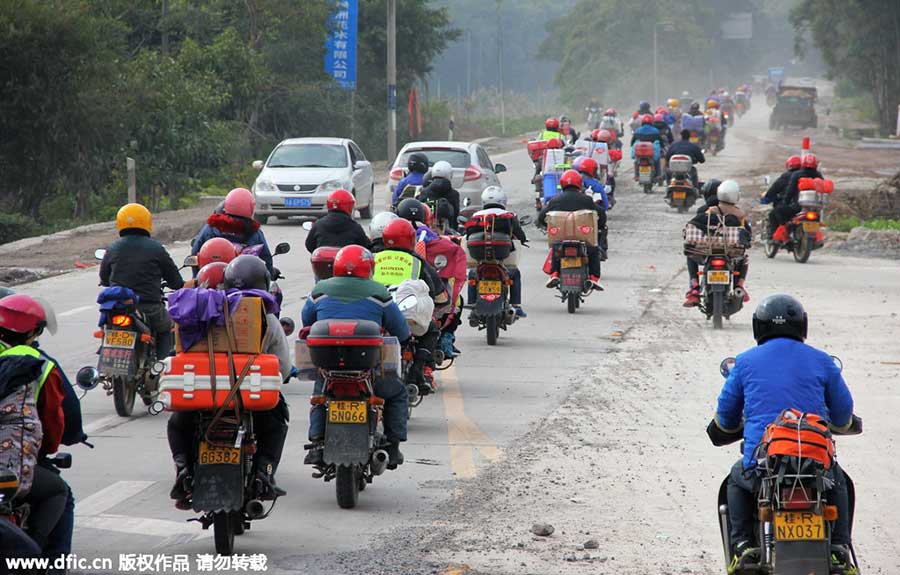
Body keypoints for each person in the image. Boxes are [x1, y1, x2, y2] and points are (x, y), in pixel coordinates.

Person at [710, 294, 855, 573]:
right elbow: (843, 414)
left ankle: (742, 549)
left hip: (763, 468)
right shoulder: (822, 361)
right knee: (840, 482)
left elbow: (726, 416)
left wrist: (727, 428)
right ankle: (839, 549)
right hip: (814, 466)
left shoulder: (744, 362)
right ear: (802, 326)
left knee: (735, 481)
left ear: (758, 327)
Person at [167, 256, 291, 508]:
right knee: (276, 424)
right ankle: (264, 474)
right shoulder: (268, 319)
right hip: (252, 401)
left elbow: (179, 352)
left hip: (204, 397)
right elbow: (284, 368)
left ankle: (183, 469)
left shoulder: (205, 314)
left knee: (178, 424)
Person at [301, 245, 410, 468]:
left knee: (320, 395)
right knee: (397, 393)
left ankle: (317, 442)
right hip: (368, 370)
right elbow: (401, 330)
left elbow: (306, 321)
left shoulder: (320, 289)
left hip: (329, 367)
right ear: (369, 267)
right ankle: (393, 446)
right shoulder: (379, 291)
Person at [0, 295, 68, 553]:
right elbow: (54, 420)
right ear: (32, 331)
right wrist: (47, 448)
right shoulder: (36, 363)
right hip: (11, 463)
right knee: (57, 490)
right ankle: (48, 559)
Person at [100, 203, 185, 359]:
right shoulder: (156, 248)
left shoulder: (112, 248)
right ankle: (161, 367)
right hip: (150, 307)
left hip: (118, 307)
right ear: (147, 222)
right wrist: (177, 285)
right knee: (167, 328)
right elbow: (176, 281)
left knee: (108, 328)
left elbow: (104, 278)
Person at [373, 219, 444, 390]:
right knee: (431, 330)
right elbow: (438, 294)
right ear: (412, 240)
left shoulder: (373, 258)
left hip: (375, 313)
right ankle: (418, 372)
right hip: (405, 313)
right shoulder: (417, 262)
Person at [464, 187, 529, 318]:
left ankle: (472, 305)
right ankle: (516, 306)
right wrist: (522, 240)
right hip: (501, 257)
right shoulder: (509, 216)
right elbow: (520, 235)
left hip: (480, 257)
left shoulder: (477, 216)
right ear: (503, 200)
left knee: (472, 274)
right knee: (515, 274)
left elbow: (467, 234)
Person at [683, 180, 750, 307]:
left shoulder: (709, 210)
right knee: (743, 259)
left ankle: (694, 286)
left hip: (708, 250)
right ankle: (739, 285)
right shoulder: (739, 214)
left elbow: (698, 226)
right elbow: (747, 234)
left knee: (691, 255)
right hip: (730, 251)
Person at [538, 170, 604, 291]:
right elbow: (601, 213)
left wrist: (548, 226)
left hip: (561, 239)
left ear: (562, 183)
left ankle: (554, 275)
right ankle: (594, 278)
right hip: (583, 239)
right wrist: (599, 226)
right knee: (594, 251)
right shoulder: (587, 200)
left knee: (555, 249)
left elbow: (541, 217)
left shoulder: (555, 200)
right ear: (579, 183)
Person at [191, 188, 273, 274]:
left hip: (211, 276)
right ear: (250, 207)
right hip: (243, 279)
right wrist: (269, 275)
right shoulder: (254, 231)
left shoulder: (211, 226)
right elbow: (266, 258)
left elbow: (195, 252)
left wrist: (197, 277)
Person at [770, 154, 823, 234]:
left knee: (775, 212)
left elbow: (790, 191)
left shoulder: (797, 175)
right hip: (816, 209)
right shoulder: (819, 176)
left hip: (797, 207)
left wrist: (785, 203)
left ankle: (781, 234)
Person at [304, 189, 371, 253]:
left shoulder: (318, 225)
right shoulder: (355, 227)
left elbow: (309, 245)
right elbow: (366, 247)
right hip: (347, 264)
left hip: (323, 263)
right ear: (350, 206)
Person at [760, 156, 802, 238]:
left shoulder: (786, 176)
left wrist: (767, 195)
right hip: (803, 207)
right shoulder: (805, 176)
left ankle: (775, 237)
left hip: (790, 206)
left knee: (773, 214)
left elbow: (774, 189)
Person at [576, 158, 610, 257]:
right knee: (603, 227)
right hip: (590, 219)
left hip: (571, 218)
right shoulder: (596, 185)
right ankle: (602, 249)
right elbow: (605, 205)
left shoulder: (573, 181)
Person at [418, 160, 460, 230]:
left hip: (428, 229)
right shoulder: (454, 194)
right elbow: (455, 217)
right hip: (449, 231)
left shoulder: (424, 192)